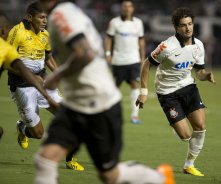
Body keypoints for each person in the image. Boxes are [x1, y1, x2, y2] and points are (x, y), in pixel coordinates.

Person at [34, 1, 175, 184]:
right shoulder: (67, 12)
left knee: (109, 175)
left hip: (99, 104)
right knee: (45, 159)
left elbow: (85, 53)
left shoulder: (61, 15)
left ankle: (159, 178)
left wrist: (56, 76)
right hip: (75, 104)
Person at [136, 7, 216, 177]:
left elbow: (199, 72)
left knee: (200, 127)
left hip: (188, 86)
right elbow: (146, 64)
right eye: (183, 25)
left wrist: (206, 75)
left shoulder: (199, 45)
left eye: (190, 24)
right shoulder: (167, 46)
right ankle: (177, 123)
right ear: (175, 27)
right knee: (186, 135)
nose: (188, 28)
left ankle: (189, 165)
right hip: (167, 92)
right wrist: (143, 91)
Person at [6, 2, 84, 171]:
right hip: (22, 85)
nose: (45, 21)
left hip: (43, 81)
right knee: (38, 133)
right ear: (29, 17)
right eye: (41, 17)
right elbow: (7, 61)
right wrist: (29, 75)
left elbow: (47, 57)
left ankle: (70, 160)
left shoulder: (45, 35)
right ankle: (22, 128)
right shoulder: (17, 32)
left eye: (46, 18)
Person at [105, 0, 145, 124]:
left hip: (133, 59)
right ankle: (111, 114)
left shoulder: (138, 23)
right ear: (121, 8)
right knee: (115, 87)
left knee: (134, 84)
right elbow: (108, 38)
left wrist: (142, 57)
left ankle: (135, 115)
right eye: (124, 6)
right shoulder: (114, 22)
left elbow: (141, 40)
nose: (127, 8)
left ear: (133, 8)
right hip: (118, 60)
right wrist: (108, 54)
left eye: (129, 6)